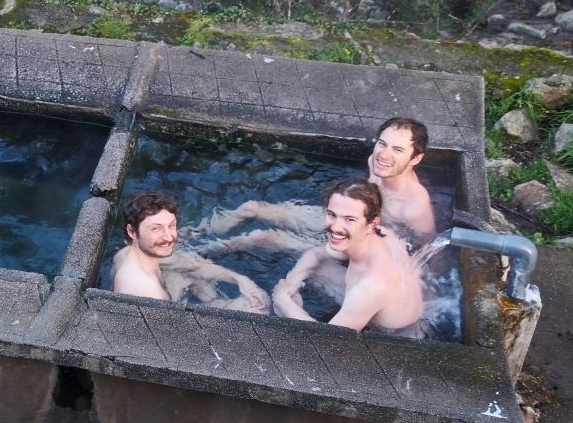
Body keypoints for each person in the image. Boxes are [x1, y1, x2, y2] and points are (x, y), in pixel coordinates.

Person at [196, 117, 436, 254]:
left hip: (355, 244)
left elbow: (427, 252)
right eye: (382, 144)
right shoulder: (376, 162)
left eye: (397, 150)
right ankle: (193, 234)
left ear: (416, 158)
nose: (384, 154)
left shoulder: (414, 205)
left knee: (261, 236)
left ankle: (199, 253)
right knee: (252, 207)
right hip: (341, 217)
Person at [272, 179, 423, 334]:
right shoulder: (383, 234)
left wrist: (283, 301)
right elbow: (317, 253)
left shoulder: (371, 286)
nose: (336, 227)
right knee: (318, 269)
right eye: (332, 215)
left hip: (394, 339)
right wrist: (292, 283)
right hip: (396, 309)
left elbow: (327, 341)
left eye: (349, 219)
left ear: (372, 223)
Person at [112, 190, 269, 313]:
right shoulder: (143, 289)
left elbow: (187, 263)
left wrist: (240, 279)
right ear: (132, 232)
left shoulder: (134, 251)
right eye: (156, 228)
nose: (169, 236)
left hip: (170, 297)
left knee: (186, 265)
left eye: (171, 225)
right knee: (257, 307)